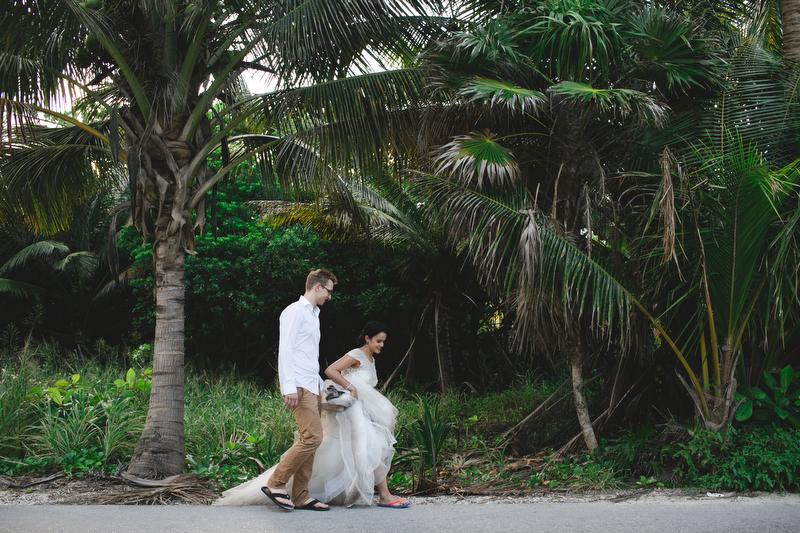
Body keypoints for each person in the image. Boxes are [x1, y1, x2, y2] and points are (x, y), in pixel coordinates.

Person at [215, 321, 408, 509]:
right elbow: (330, 370)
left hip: (363, 411)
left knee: (370, 448)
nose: (381, 345)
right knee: (371, 446)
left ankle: (376, 493)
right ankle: (383, 495)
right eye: (378, 341)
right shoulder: (356, 354)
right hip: (351, 411)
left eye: (383, 342)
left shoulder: (372, 360)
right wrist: (350, 387)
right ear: (367, 339)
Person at [256, 269, 337, 511]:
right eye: (329, 291)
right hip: (298, 386)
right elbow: (286, 351)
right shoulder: (294, 311)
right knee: (313, 437)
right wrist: (288, 388)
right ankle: (276, 483)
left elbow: (307, 355)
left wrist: (321, 385)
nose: (330, 296)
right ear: (318, 287)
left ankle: (301, 495)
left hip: (311, 385)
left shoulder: (315, 315)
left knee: (309, 440)